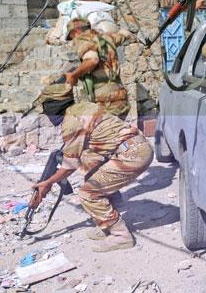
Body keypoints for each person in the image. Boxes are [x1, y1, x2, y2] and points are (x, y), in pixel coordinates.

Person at [28, 83, 153, 252]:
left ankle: (121, 236)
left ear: (53, 105)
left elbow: (69, 165)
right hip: (136, 147)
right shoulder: (83, 107)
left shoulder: (71, 122)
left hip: (132, 155)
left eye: (46, 107)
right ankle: (107, 224)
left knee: (88, 193)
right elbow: (86, 150)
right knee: (90, 170)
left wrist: (48, 183)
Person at [64, 18, 131, 119]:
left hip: (104, 100)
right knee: (118, 131)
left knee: (107, 132)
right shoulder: (106, 38)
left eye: (72, 36)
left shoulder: (83, 39)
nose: (73, 40)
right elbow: (125, 34)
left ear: (76, 31)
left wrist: (73, 75)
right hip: (120, 95)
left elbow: (92, 60)